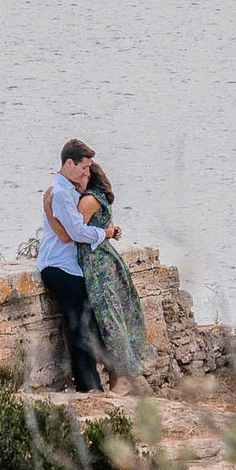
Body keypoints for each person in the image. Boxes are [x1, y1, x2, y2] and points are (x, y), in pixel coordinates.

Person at [58, 157, 150, 392]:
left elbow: (74, 233)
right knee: (110, 319)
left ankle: (122, 379)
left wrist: (49, 212)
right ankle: (120, 378)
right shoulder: (97, 198)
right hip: (102, 262)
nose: (80, 177)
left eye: (85, 173)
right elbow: (98, 229)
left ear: (91, 176)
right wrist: (108, 231)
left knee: (110, 321)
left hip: (98, 266)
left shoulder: (88, 200)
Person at [37, 139, 116, 392]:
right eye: (84, 167)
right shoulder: (60, 193)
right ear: (69, 163)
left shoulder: (69, 191)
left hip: (70, 267)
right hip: (60, 267)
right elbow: (76, 232)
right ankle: (88, 387)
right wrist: (105, 232)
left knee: (82, 323)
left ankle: (90, 383)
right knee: (79, 324)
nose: (87, 172)